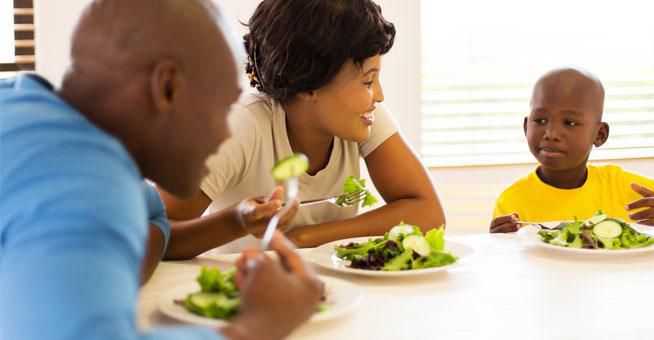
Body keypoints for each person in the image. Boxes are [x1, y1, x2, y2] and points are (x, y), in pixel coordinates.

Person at [0, 0, 322, 339]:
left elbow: (147, 221)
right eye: (222, 107)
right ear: (168, 87)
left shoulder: (24, 105)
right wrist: (258, 325)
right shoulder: (89, 188)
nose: (226, 132)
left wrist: (235, 222)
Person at [159, 0, 445, 256]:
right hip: (241, 297)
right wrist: (237, 221)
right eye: (368, 81)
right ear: (309, 86)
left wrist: (308, 238)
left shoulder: (362, 114)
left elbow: (427, 211)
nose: (378, 95)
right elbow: (154, 233)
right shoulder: (240, 125)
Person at [490, 67, 654, 233]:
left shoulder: (618, 184)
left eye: (569, 123)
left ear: (599, 135)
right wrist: (498, 243)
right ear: (525, 126)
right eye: (540, 120)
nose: (551, 133)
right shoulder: (512, 200)